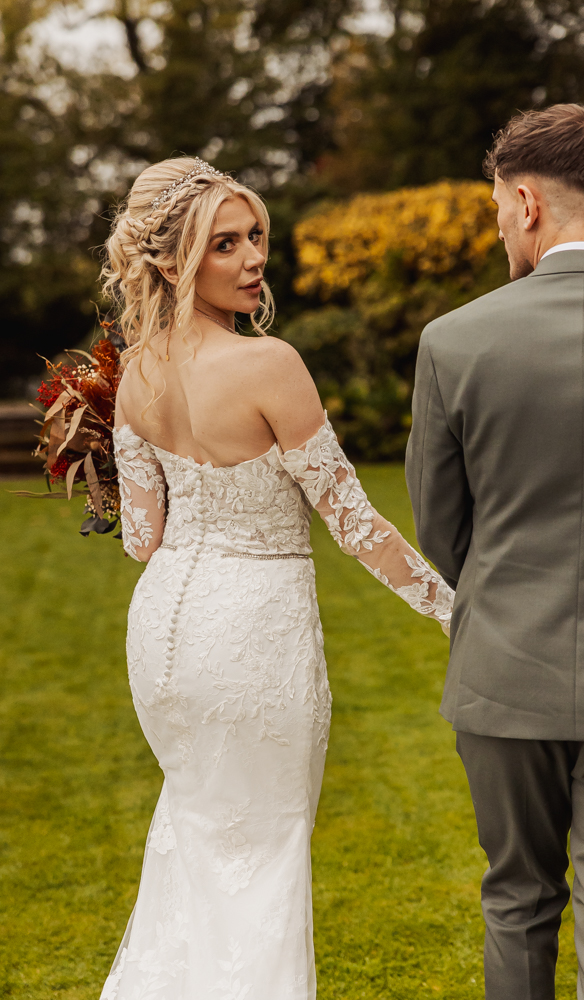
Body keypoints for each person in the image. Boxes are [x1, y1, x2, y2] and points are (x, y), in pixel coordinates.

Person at [98, 156, 454, 1000]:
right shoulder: (271, 365)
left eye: (255, 235)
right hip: (253, 634)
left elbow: (141, 540)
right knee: (264, 848)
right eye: (225, 244)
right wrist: (454, 610)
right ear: (170, 261)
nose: (254, 256)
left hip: (164, 635)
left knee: (192, 831)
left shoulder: (135, 372)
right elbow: (355, 525)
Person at [406, 103, 584, 999]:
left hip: (503, 677)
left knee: (516, 900)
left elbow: (441, 530)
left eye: (492, 209)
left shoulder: (453, 340)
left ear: (523, 202)